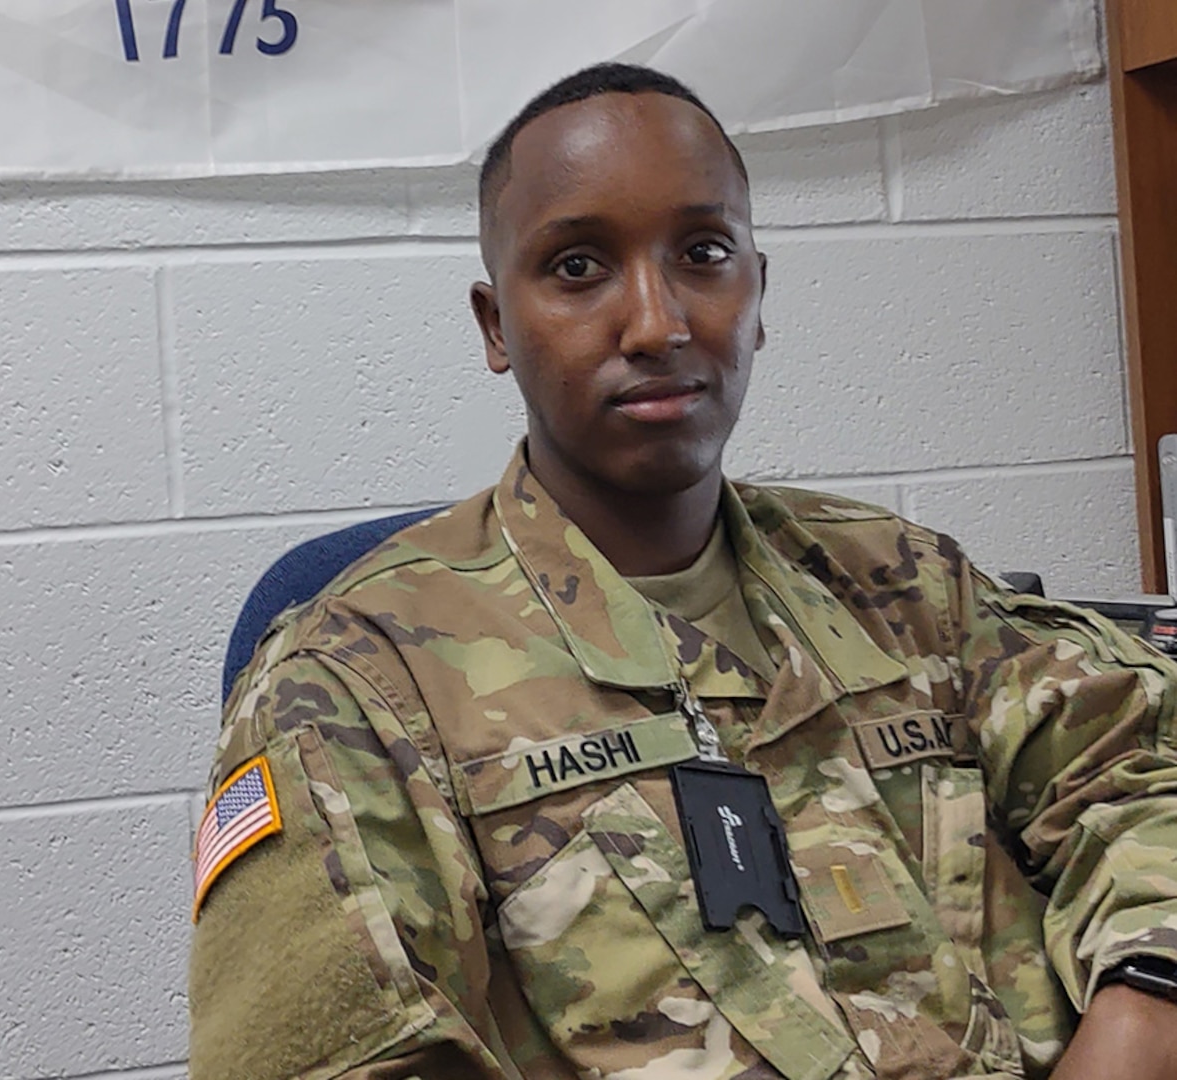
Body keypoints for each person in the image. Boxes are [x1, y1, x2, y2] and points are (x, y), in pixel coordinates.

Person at [186, 63, 1177, 1079]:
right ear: (496, 325)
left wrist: (1148, 1005)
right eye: (578, 267)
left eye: (704, 253)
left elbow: (1140, 773)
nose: (658, 323)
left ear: (757, 291)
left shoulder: (906, 583)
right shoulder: (356, 682)